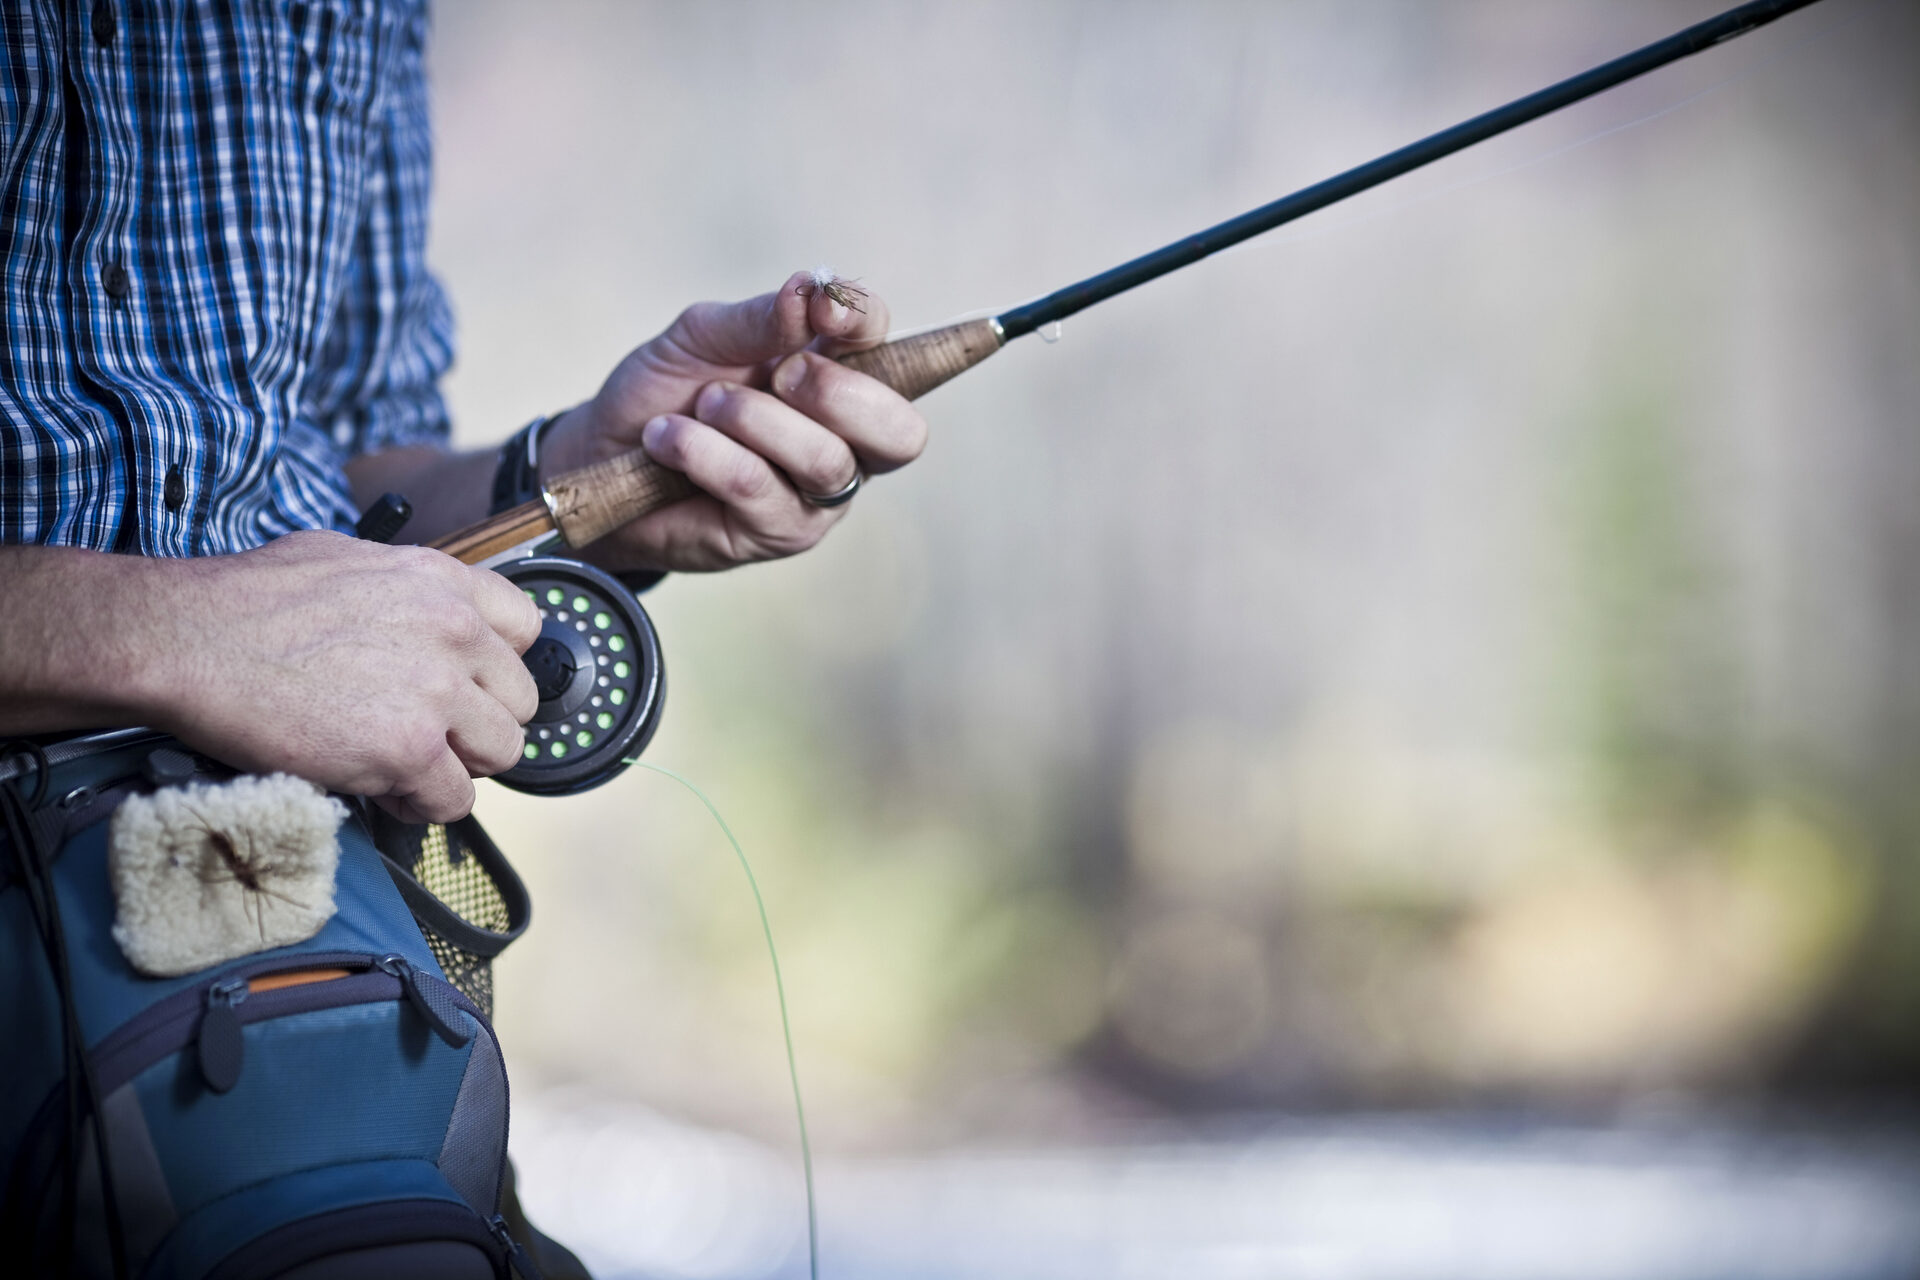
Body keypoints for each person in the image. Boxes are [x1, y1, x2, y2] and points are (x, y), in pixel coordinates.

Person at [0, 2, 926, 1275]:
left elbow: (349, 467)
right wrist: (163, 632)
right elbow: (236, 614)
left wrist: (581, 478)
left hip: (303, 918)